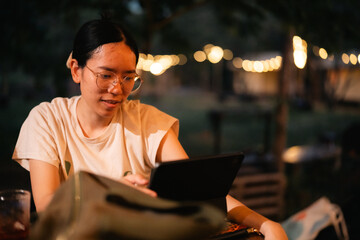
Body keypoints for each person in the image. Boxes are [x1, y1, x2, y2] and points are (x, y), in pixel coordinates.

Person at [12, 17, 288, 240]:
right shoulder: (47, 120)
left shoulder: (147, 121)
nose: (117, 89)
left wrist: (264, 224)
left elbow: (200, 191)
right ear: (76, 70)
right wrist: (107, 192)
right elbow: (48, 208)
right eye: (106, 75)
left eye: (128, 77)